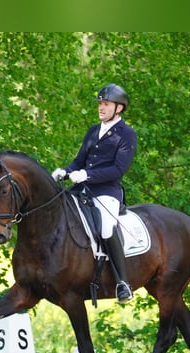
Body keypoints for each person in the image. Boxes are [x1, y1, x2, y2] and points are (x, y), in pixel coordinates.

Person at [52, 83, 137, 304]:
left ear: (119, 108)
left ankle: (123, 283)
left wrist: (87, 176)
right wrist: (66, 171)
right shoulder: (93, 130)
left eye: (106, 104)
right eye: (100, 103)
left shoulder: (127, 135)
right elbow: (79, 160)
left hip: (107, 192)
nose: (101, 107)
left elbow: (118, 169)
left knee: (107, 227)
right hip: (82, 189)